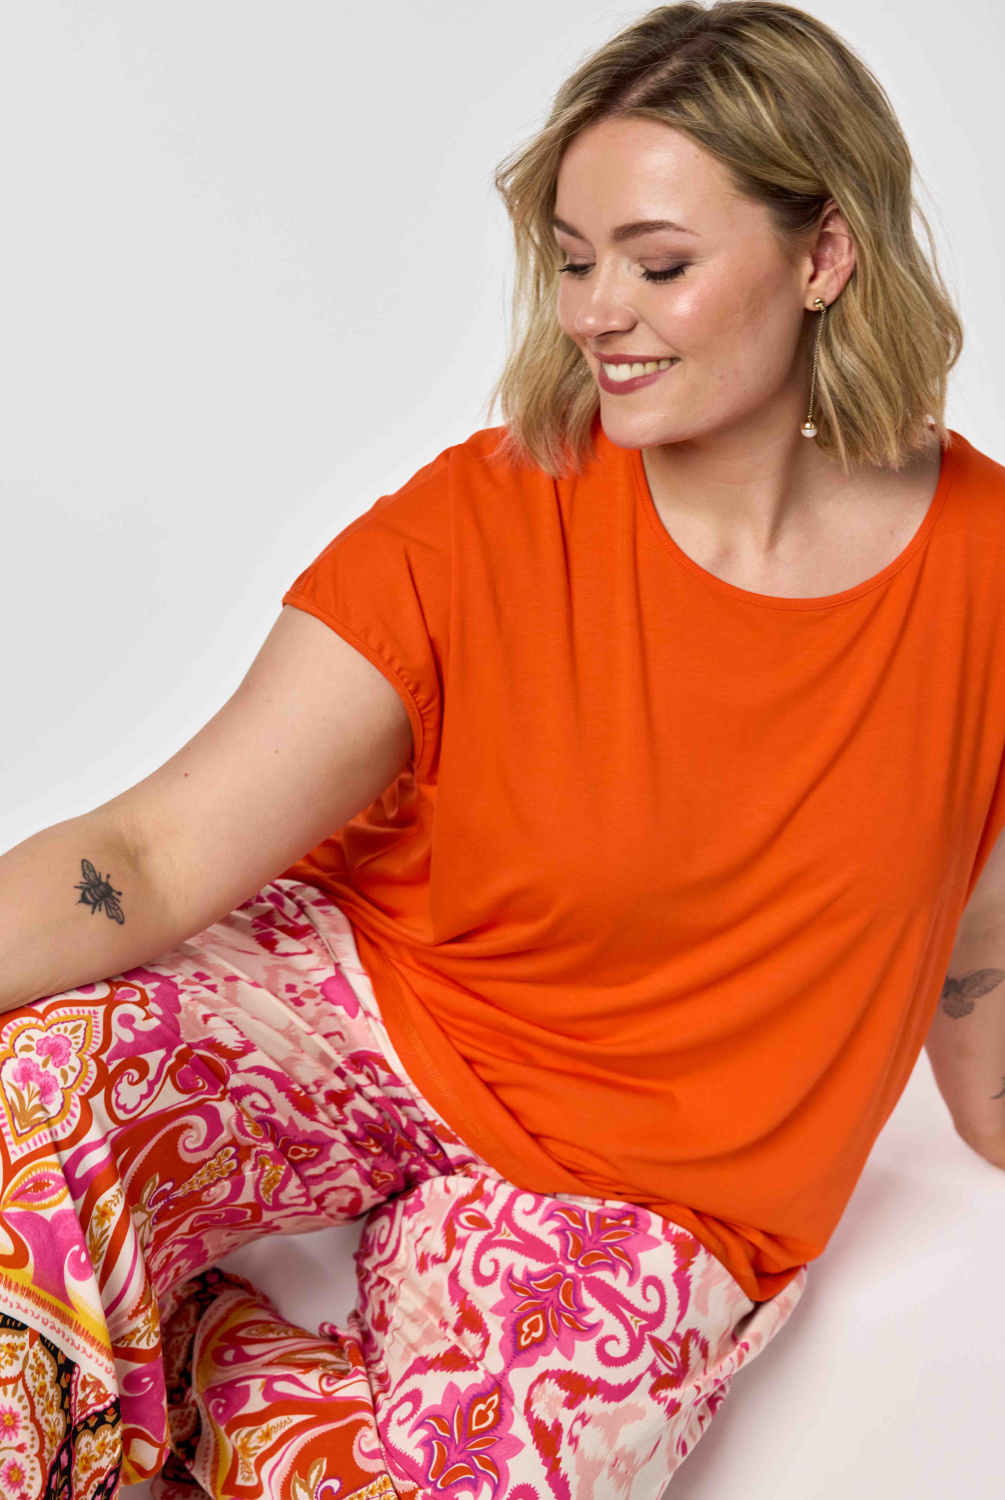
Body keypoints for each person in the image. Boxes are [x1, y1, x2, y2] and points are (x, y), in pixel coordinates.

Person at [1, 0, 1002, 1494]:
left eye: (657, 263)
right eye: (575, 258)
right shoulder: (481, 518)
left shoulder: (987, 573)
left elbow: (974, 918)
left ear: (824, 256)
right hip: (363, 1011)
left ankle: (207, 1357)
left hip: (638, 1193)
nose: (596, 311)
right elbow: (147, 856)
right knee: (27, 1099)